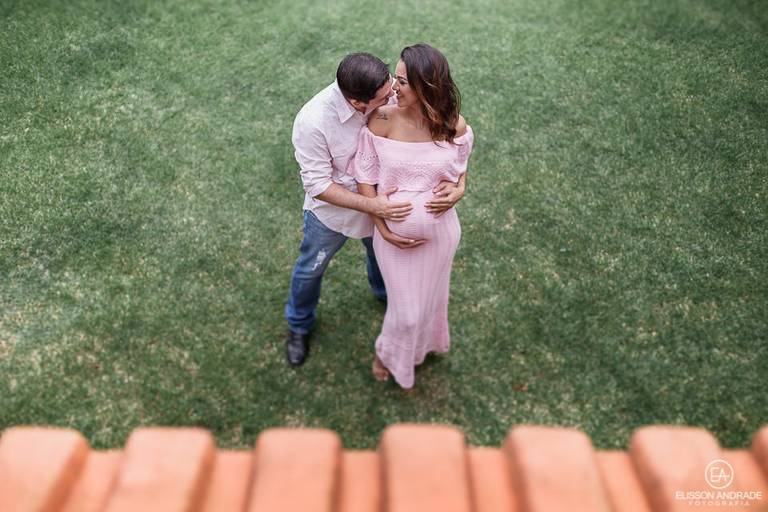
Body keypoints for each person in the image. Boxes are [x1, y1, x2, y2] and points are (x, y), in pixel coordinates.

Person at [285, 52, 465, 367]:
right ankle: (299, 326)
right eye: (385, 95)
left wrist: (460, 185)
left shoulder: (386, 91)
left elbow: (450, 141)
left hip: (385, 209)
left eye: (394, 84)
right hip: (333, 217)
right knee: (311, 268)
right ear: (358, 104)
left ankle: (387, 297)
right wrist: (374, 206)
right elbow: (317, 185)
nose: (394, 93)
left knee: (379, 258)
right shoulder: (313, 122)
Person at [348, 43, 474, 389]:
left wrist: (461, 188)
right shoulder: (383, 119)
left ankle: (426, 345)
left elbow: (460, 163)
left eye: (402, 82)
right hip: (395, 239)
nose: (393, 87)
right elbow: (365, 176)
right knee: (406, 313)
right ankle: (385, 353)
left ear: (426, 86)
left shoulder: (452, 124)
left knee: (433, 298)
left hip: (442, 236)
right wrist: (381, 228)